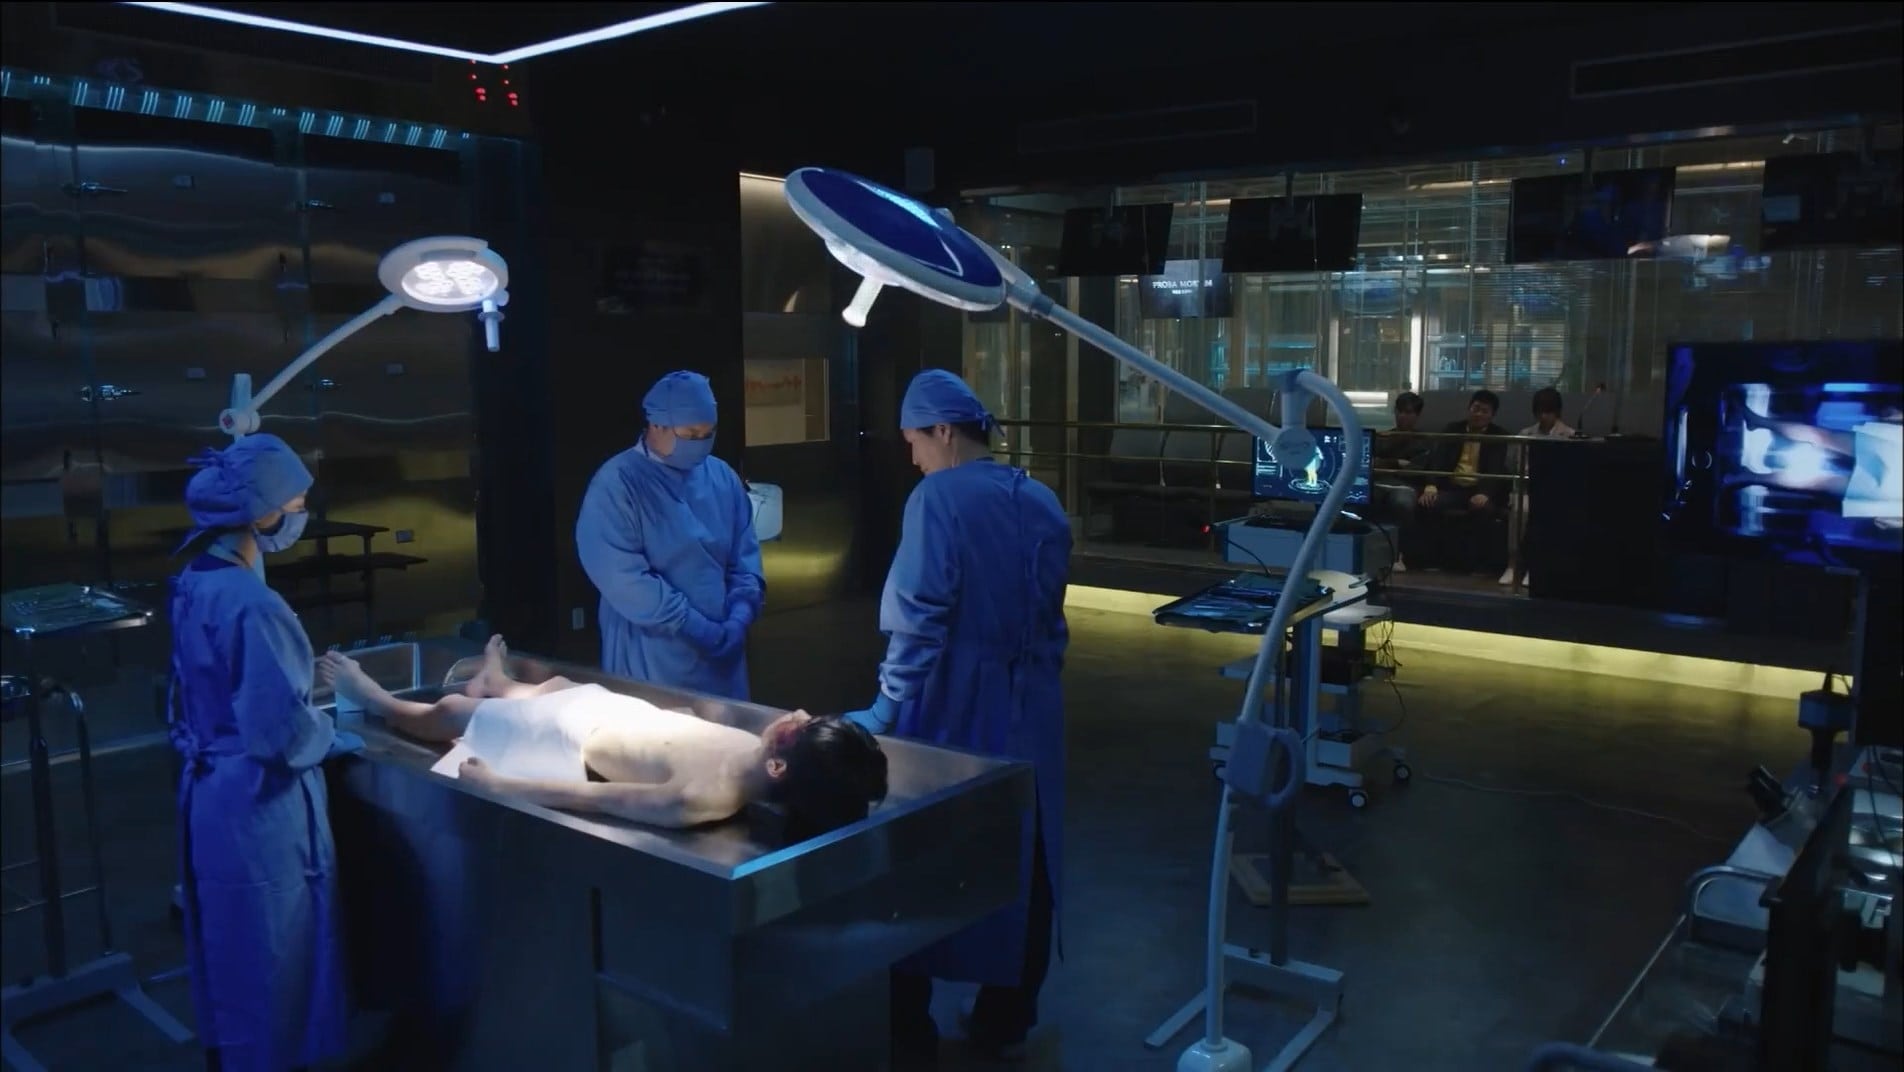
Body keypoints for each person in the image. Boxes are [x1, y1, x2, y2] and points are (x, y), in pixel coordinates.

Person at [843, 369, 1071, 1067]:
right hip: (1030, 708)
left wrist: (885, 708)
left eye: (914, 441)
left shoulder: (937, 500)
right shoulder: (1040, 498)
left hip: (949, 705)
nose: (913, 458)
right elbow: (1051, 619)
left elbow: (920, 617)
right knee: (1027, 852)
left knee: (918, 854)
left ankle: (907, 1029)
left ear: (942, 431)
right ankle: (1006, 1019)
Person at [166, 433, 359, 1072]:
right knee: (275, 950)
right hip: (258, 804)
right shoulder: (253, 603)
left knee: (232, 949)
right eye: (296, 503)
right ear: (264, 512)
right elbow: (279, 734)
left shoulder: (197, 578)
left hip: (212, 793)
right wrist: (333, 735)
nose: (301, 514)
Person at [318, 636, 888, 836]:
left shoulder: (700, 797)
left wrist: (500, 785)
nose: (797, 712)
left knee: (448, 714)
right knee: (556, 685)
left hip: (567, 735)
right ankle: (500, 683)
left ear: (779, 768)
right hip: (608, 711)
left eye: (799, 729)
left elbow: (593, 797)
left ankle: (376, 698)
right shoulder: (756, 753)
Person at [577, 370, 765, 699]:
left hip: (723, 656)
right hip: (653, 656)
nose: (701, 443)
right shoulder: (617, 485)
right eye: (691, 434)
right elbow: (625, 579)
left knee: (727, 729)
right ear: (657, 425)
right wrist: (694, 626)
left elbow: (744, 557)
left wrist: (740, 614)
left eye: (708, 433)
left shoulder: (721, 477)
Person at [1418, 389, 1511, 575]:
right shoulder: (1452, 430)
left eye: (1484, 411)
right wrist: (1431, 485)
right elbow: (1437, 460)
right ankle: (1429, 560)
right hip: (1452, 487)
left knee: (1484, 510)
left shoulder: (1498, 436)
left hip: (1479, 489)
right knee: (1426, 503)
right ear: (1469, 409)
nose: (1478, 414)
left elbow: (1496, 468)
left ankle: (1478, 566)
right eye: (1475, 409)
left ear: (1492, 415)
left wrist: (1485, 493)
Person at [1503, 387, 1575, 586]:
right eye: (1540, 412)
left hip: (1556, 494)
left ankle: (1536, 567)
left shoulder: (1570, 435)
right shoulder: (1525, 434)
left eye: (1548, 412)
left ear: (1557, 412)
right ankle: (1513, 564)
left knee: (1548, 513)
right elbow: (1511, 464)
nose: (1544, 416)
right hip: (1526, 489)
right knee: (1521, 509)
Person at [1371, 391, 1434, 572]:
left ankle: (1399, 554)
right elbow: (1372, 463)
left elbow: (1416, 470)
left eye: (1408, 412)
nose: (1402, 416)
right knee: (1360, 499)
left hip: (1406, 486)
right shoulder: (1383, 437)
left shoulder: (1424, 441)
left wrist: (1387, 464)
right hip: (1379, 482)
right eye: (1399, 411)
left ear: (1417, 415)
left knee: (1402, 503)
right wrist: (1397, 462)